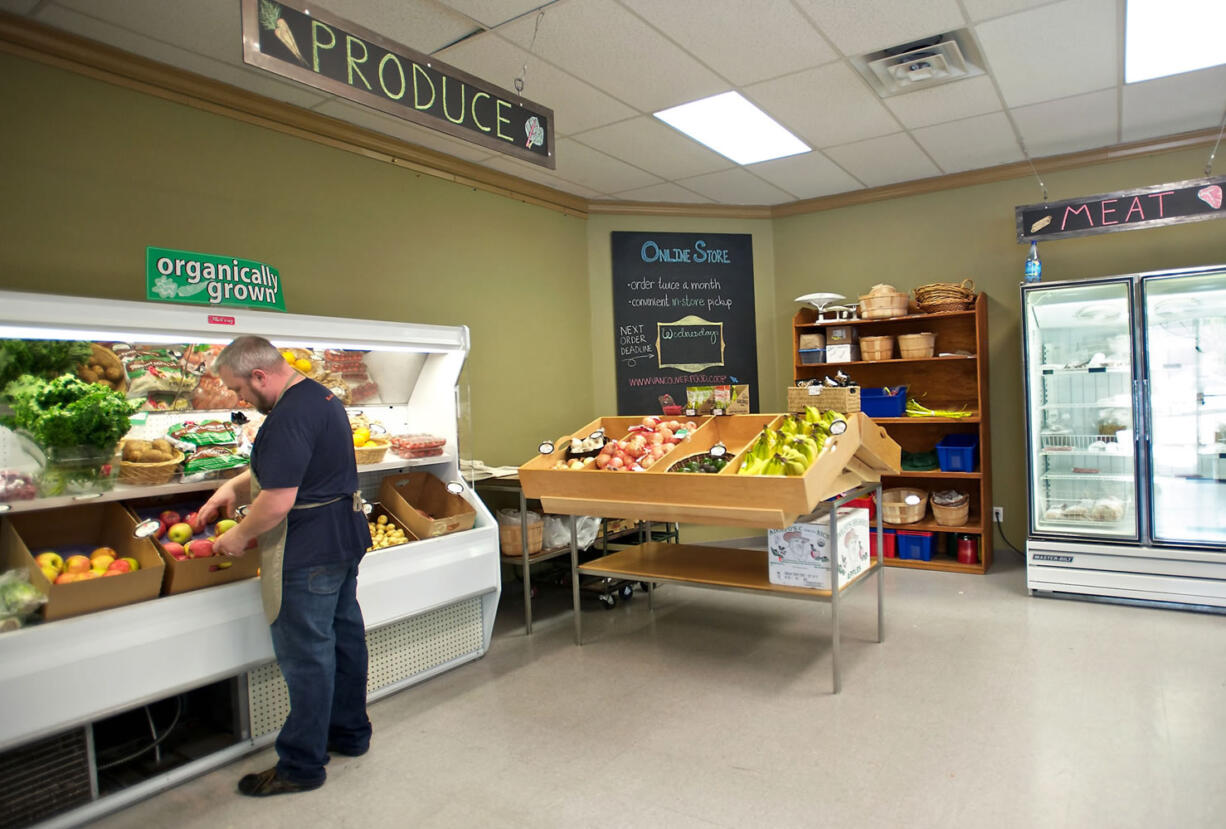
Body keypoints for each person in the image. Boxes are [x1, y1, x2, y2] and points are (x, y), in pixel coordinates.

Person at [201, 335, 372, 797]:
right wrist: (233, 490)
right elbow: (297, 466)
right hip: (344, 536)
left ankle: (300, 764)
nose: (239, 399)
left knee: (308, 656)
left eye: (240, 389)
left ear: (260, 375)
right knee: (343, 641)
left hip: (309, 550)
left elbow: (277, 501)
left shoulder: (286, 418)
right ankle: (350, 734)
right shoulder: (320, 397)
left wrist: (237, 536)